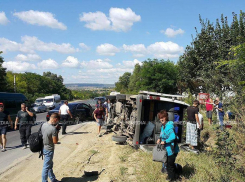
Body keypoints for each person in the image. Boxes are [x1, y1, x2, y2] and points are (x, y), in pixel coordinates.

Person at [157, 110, 179, 181]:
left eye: (163, 117)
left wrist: (165, 141)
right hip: (166, 149)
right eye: (160, 118)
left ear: (166, 117)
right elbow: (162, 134)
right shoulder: (163, 126)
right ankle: (175, 176)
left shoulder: (169, 126)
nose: (161, 119)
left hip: (171, 149)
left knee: (170, 165)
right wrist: (159, 139)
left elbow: (173, 137)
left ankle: (172, 179)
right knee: (169, 164)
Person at [41, 113, 61, 182]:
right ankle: (44, 181)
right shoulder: (53, 129)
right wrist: (57, 131)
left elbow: (46, 134)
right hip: (49, 149)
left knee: (49, 165)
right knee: (46, 167)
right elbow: (55, 141)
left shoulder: (44, 124)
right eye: (57, 120)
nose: (57, 122)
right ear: (55, 119)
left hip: (44, 147)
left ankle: (53, 179)